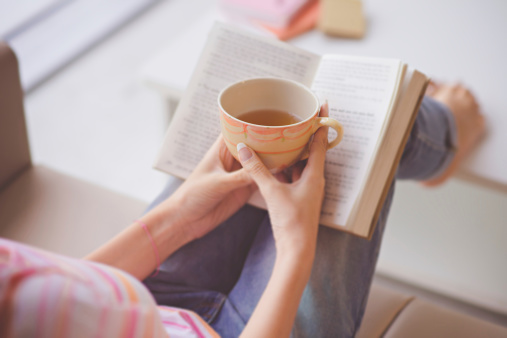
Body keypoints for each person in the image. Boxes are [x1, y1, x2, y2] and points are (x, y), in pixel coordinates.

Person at [0, 83, 484, 337]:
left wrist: (178, 218)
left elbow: (67, 291)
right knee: (351, 138)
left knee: (288, 114)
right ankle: (443, 138)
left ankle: (433, 134)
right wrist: (295, 249)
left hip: (150, 306)